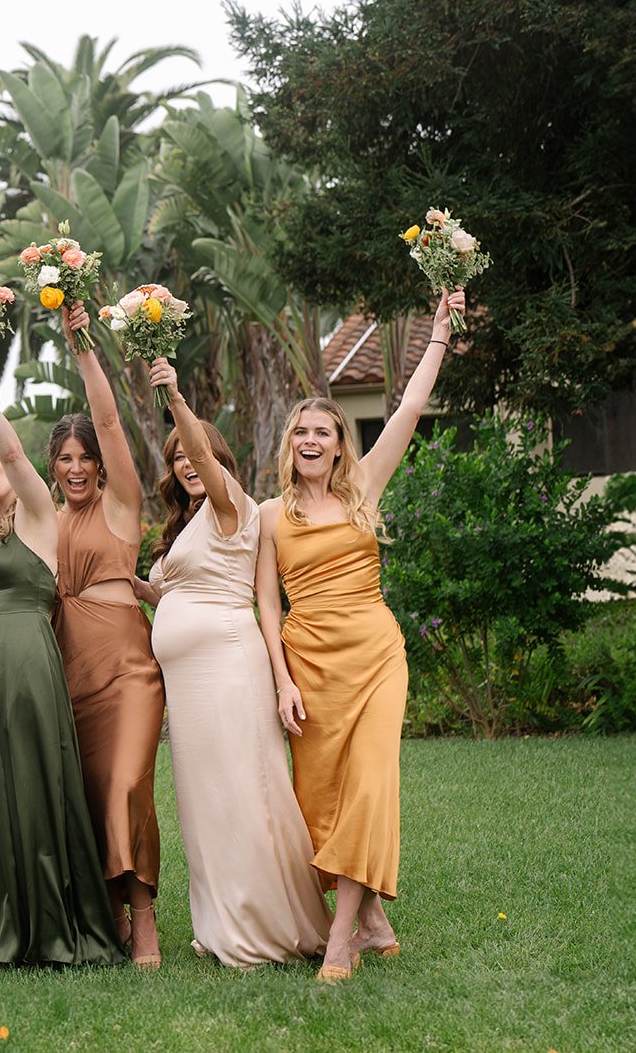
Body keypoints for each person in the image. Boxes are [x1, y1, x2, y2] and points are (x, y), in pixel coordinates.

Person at [257, 289, 467, 984]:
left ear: (341, 445)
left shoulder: (363, 491)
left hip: (376, 655)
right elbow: (265, 605)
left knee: (371, 787)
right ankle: (373, 918)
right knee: (322, 802)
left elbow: (407, 410)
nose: (312, 440)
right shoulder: (268, 516)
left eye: (324, 431)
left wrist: (437, 334)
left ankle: (340, 939)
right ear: (289, 446)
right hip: (310, 667)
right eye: (301, 433)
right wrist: (283, 680)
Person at [140, 356, 330, 968]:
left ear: (218, 461)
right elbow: (175, 593)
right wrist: (130, 587)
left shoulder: (231, 505)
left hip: (228, 668)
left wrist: (174, 395)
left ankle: (267, 924)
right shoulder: (188, 524)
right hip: (188, 683)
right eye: (177, 460)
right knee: (204, 802)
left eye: (198, 455)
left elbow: (199, 446)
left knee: (244, 791)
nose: (189, 465)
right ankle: (221, 920)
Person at [0, 357, 122, 967]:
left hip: (25, 656)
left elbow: (18, 456)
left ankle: (53, 923)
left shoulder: (36, 511)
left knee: (33, 779)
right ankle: (9, 921)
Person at [49, 303, 166, 965]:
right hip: (70, 666)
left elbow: (112, 418)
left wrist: (83, 347)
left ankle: (144, 913)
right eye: (63, 457)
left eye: (83, 456)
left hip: (126, 664)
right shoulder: (49, 516)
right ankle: (112, 913)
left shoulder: (120, 504)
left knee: (128, 783)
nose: (74, 467)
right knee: (94, 793)